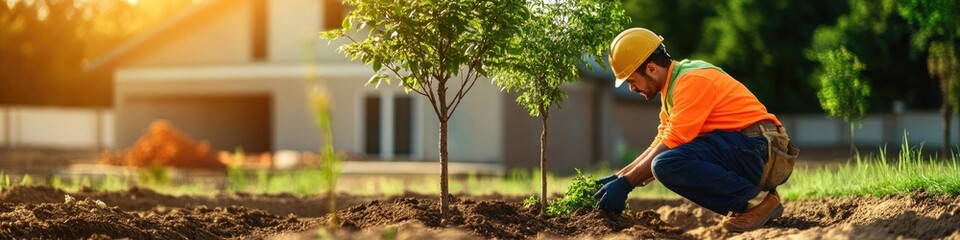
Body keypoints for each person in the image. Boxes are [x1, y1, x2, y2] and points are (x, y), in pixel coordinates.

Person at [593, 28, 799, 232]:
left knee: (666, 163)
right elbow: (661, 140)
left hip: (760, 149)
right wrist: (620, 177)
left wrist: (627, 184)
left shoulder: (691, 81)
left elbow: (671, 144)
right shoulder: (672, 88)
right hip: (749, 148)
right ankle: (752, 201)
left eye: (631, 81)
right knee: (665, 160)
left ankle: (757, 204)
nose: (632, 88)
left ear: (651, 69)